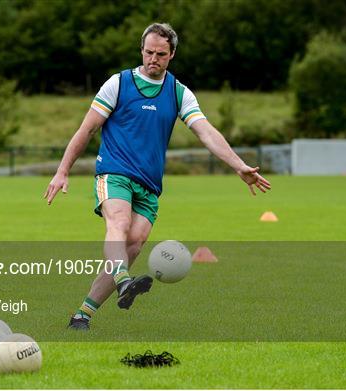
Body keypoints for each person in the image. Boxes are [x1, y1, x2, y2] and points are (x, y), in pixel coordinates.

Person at [44, 23, 271, 330]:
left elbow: (206, 132)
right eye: (148, 52)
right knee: (119, 224)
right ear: (141, 50)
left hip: (149, 185)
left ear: (171, 55)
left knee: (134, 243)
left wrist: (238, 164)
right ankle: (124, 280)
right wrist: (62, 170)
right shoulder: (119, 84)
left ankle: (81, 316)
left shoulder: (178, 93)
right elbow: (87, 129)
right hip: (114, 172)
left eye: (160, 54)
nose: (153, 59)